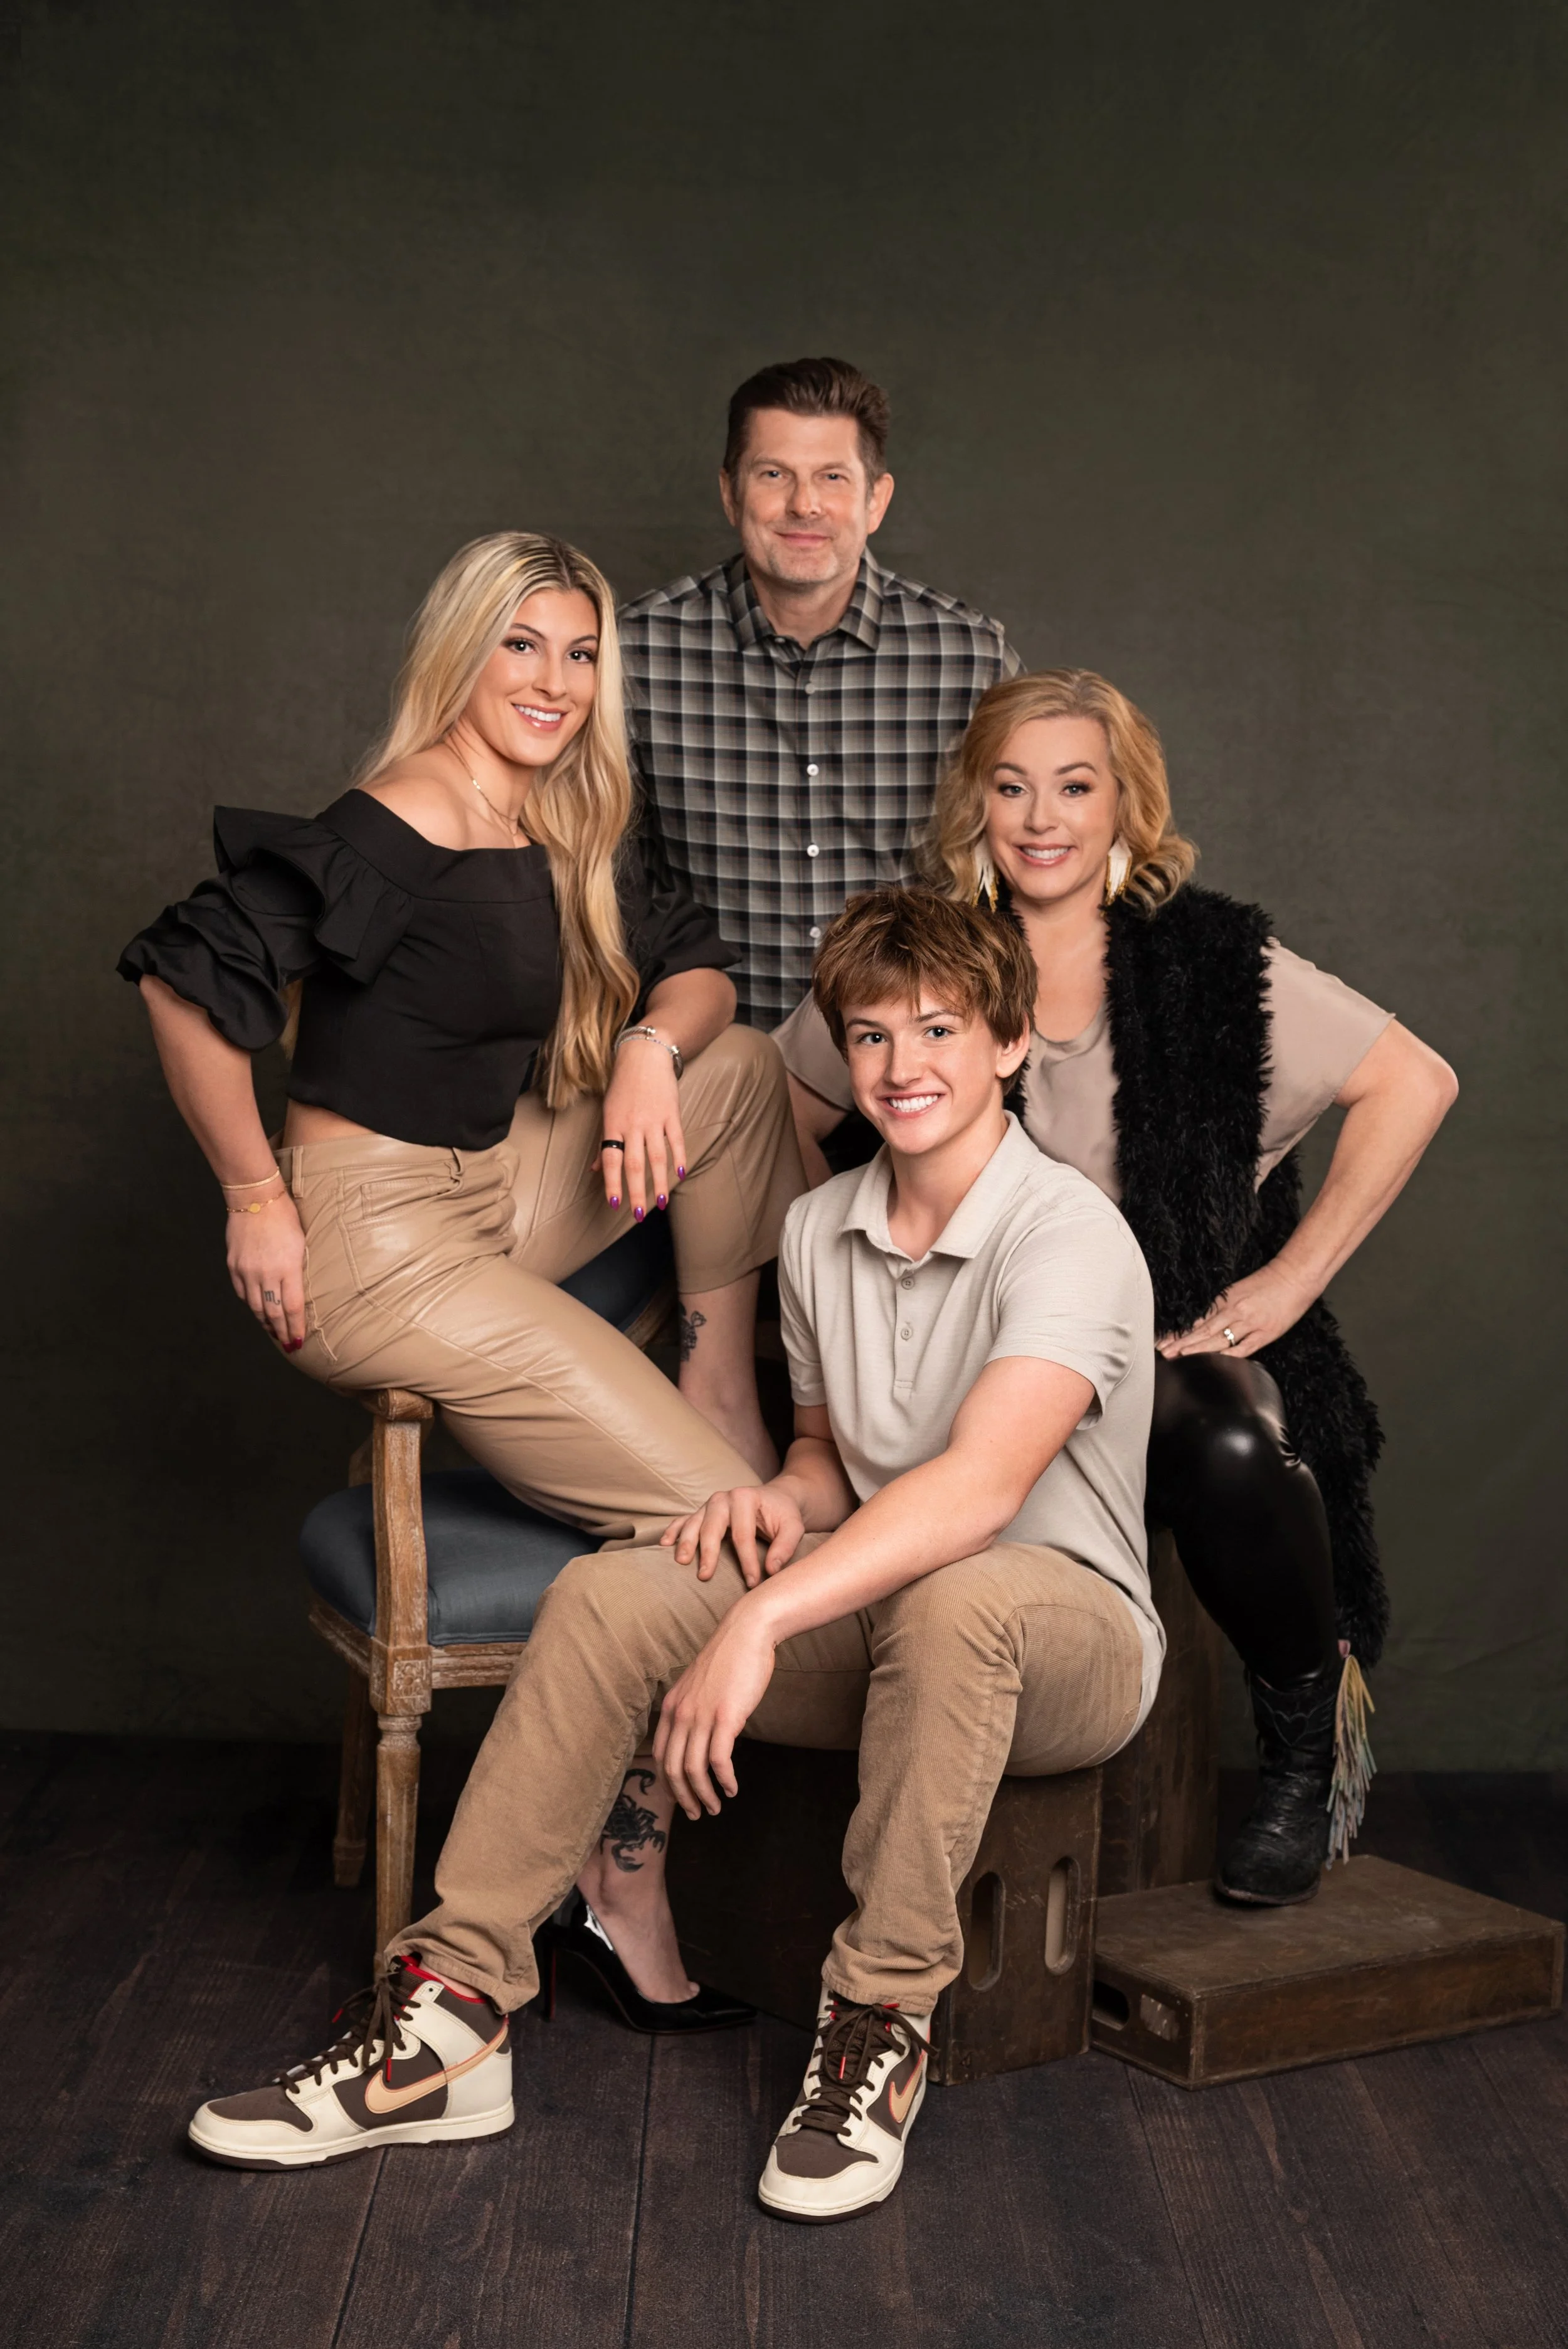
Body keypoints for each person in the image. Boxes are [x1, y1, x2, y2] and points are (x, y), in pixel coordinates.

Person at [186, 888, 1159, 2225]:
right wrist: (770, 1508)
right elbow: (832, 1459)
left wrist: (758, 1624)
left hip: (1059, 1639)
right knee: (620, 1588)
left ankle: (877, 2024)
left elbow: (977, 1492)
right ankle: (450, 2020)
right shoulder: (820, 1232)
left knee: (959, 1601)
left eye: (938, 1029)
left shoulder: (1071, 1233)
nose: (901, 1067)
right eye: (869, 1037)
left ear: (1005, 1045)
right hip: (881, 1611)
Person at [120, 531, 806, 2014]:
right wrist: (256, 1195)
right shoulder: (404, 815)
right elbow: (185, 988)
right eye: (520, 647)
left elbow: (702, 974)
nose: (551, 682)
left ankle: (705, 1369)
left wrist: (642, 1049)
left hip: (494, 1185)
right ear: (463, 651)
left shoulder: (564, 811)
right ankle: (614, 1877)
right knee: (716, 1525)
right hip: (375, 1245)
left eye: (576, 652)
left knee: (736, 1069)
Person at [780, 669, 1458, 1904]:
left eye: (1075, 787)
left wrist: (1291, 1279)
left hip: (1145, 1355)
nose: (1041, 817)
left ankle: (1300, 1758)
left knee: (1232, 1450)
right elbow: (788, 1096)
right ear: (972, 806)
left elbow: (1414, 1081)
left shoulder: (1212, 961)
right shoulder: (927, 955)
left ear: (1125, 812)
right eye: (1011, 786)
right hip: (954, 1358)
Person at [617, 355, 1020, 1179]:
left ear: (876, 499)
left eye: (832, 477)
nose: (805, 505)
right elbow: (605, 884)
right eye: (775, 475)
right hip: (701, 1094)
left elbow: (1015, 886)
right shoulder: (634, 653)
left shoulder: (967, 658)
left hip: (912, 1100)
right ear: (731, 492)